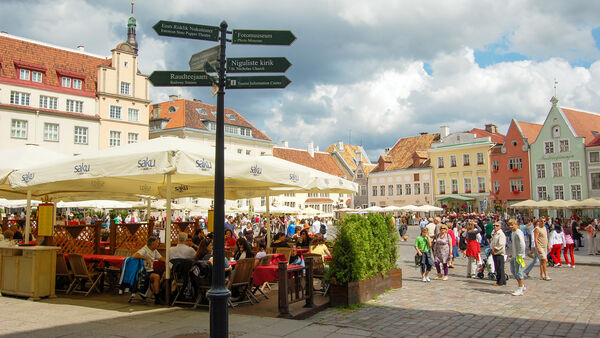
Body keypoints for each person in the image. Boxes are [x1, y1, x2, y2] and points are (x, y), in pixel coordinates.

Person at [132, 237, 166, 304]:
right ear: (153, 244)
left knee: (165, 274)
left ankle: (162, 293)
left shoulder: (154, 250)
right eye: (157, 243)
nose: (158, 244)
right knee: (156, 277)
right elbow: (134, 256)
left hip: (151, 270)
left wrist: (168, 261)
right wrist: (146, 258)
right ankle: (157, 297)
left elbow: (160, 258)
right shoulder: (145, 249)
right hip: (144, 271)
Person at [508, 219, 526, 296]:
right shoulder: (513, 233)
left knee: (518, 271)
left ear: (516, 224)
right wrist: (512, 253)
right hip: (514, 255)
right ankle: (521, 285)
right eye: (510, 225)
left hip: (519, 255)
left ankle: (520, 288)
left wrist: (521, 254)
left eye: (512, 225)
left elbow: (522, 244)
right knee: (513, 271)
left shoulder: (518, 232)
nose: (511, 226)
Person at [490, 222, 507, 286]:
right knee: (497, 267)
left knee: (500, 267)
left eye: (497, 226)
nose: (495, 227)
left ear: (500, 226)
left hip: (499, 252)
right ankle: (502, 280)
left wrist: (495, 249)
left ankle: (500, 281)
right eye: (494, 225)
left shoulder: (501, 234)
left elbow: (501, 244)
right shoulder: (496, 233)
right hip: (495, 252)